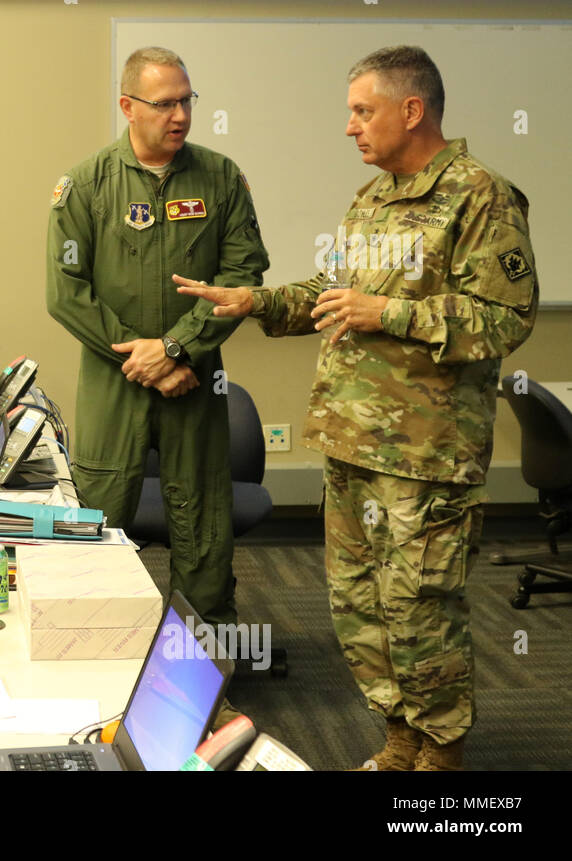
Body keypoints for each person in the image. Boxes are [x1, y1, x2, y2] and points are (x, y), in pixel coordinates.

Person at [176, 46, 536, 770]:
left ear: (412, 110)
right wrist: (256, 300)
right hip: (352, 443)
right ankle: (398, 736)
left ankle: (441, 750)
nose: (350, 128)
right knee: (360, 607)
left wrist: (391, 313)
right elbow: (330, 292)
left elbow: (505, 316)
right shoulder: (372, 199)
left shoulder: (480, 196)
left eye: (362, 111)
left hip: (425, 455)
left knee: (421, 609)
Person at [46, 47, 269, 631]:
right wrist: (143, 357)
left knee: (203, 522)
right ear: (128, 106)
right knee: (97, 517)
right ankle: (86, 649)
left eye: (187, 101)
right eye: (165, 103)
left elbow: (242, 278)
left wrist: (176, 348)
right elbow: (66, 292)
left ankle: (202, 669)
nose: (180, 116)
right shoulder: (86, 184)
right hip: (112, 378)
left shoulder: (220, 178)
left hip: (193, 379)